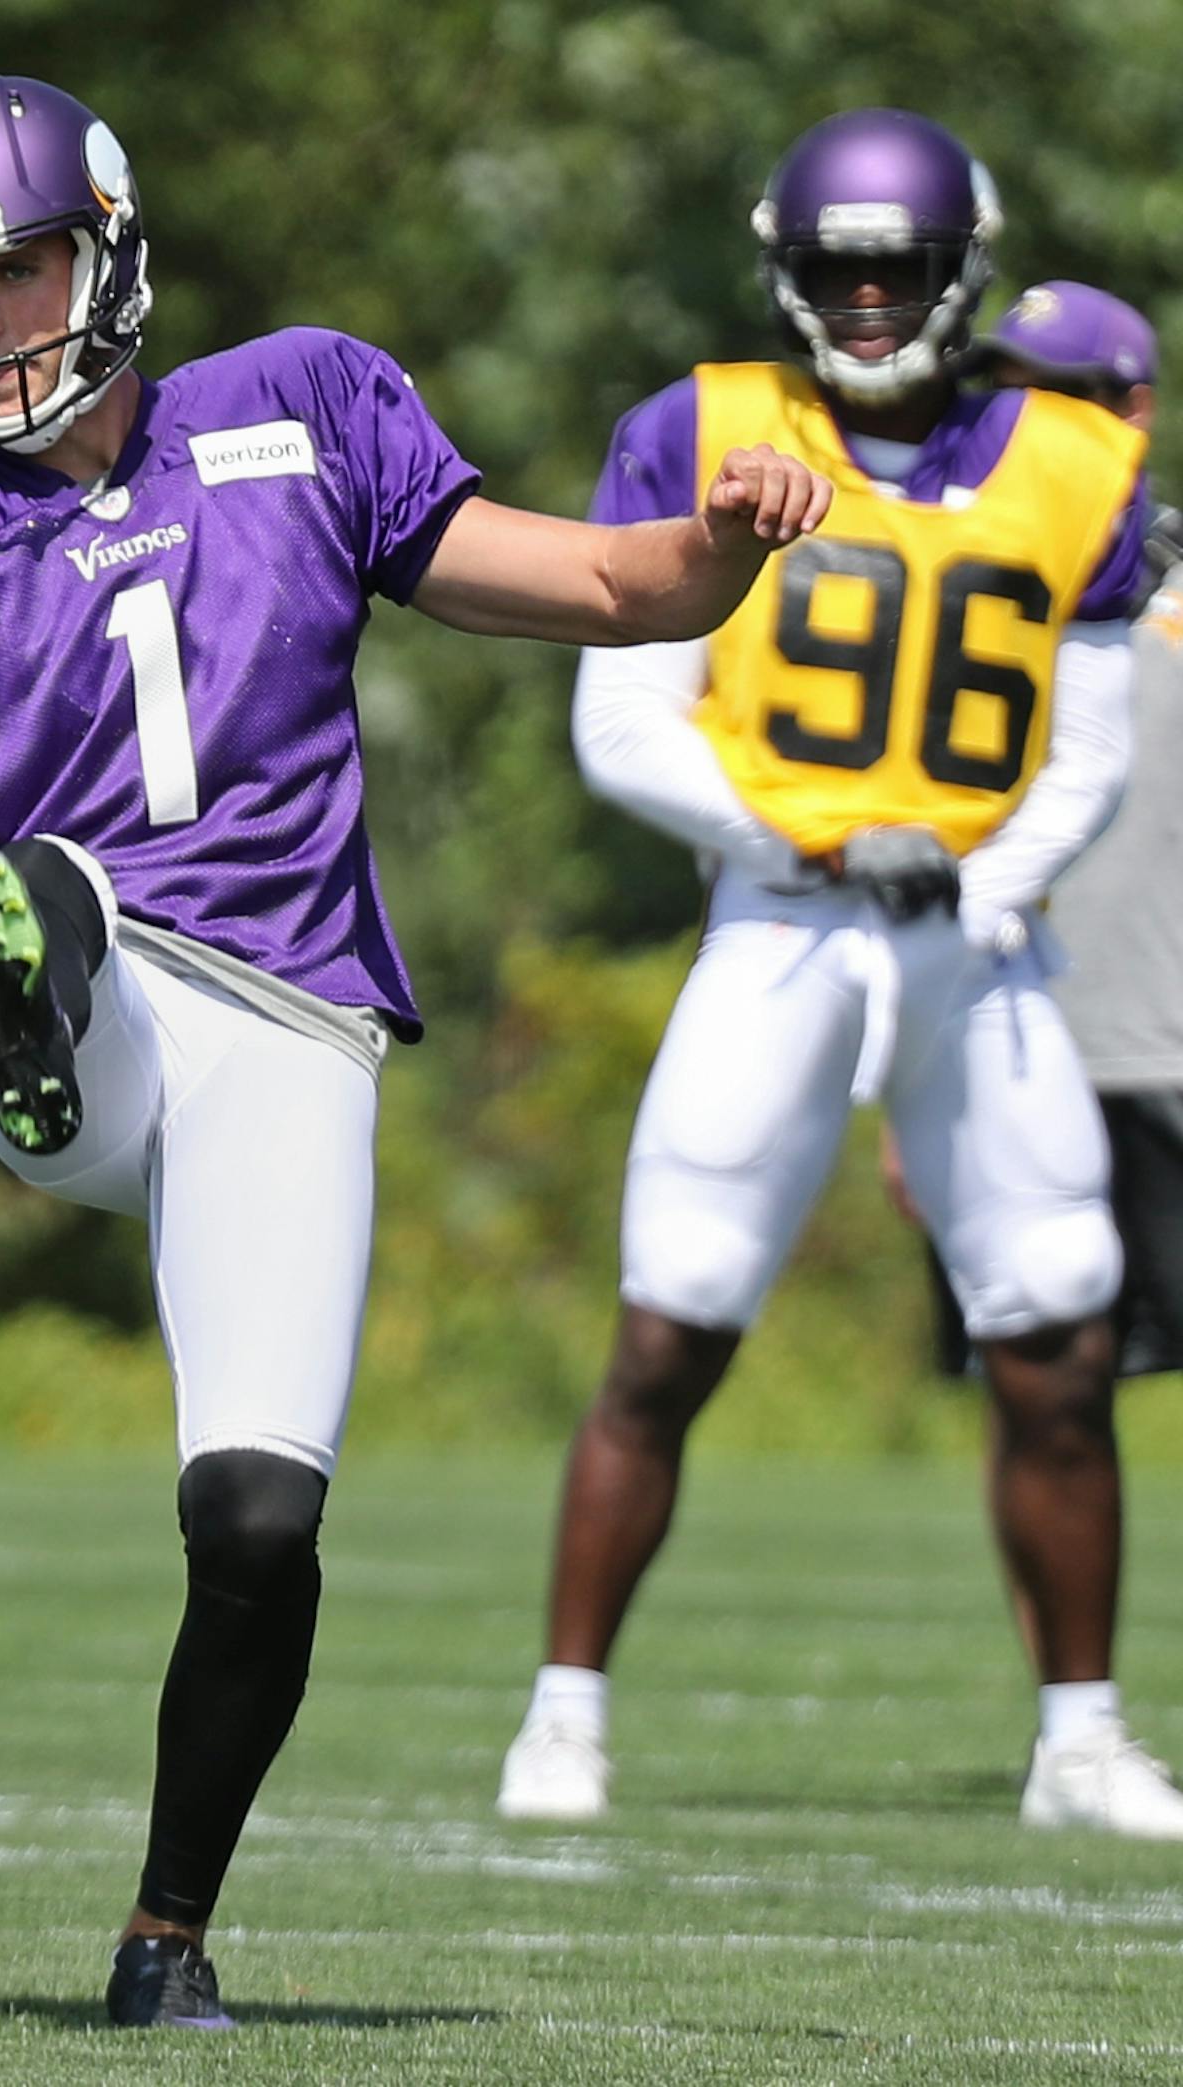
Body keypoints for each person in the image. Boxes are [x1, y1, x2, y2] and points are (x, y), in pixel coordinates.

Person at [0, 74, 828, 2029]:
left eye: (20, 269)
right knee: (48, 915)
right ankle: (30, 987)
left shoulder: (306, 408)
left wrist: (728, 542)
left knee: (255, 1518)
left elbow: (603, 587)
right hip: (89, 1013)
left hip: (292, 1016)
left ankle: (166, 1937)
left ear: (105, 246)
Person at [494, 110, 1183, 1839]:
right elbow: (621, 719)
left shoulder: (1073, 464)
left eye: (901, 267)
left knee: (1059, 1336)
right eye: (839, 267)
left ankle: (1082, 1738)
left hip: (976, 935)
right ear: (786, 267)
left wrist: (976, 874)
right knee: (672, 1328)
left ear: (966, 269)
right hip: (782, 924)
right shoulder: (707, 430)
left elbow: (1086, 751)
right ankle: (564, 1717)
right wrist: (804, 844)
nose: (870, 298)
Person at [881, 284, 1183, 1654]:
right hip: (1013, 1036)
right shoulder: (950, 567)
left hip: (1170, 1047)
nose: (1023, 421)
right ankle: (1078, 1714)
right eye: (1004, 391)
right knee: (1035, 1388)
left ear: (1135, 411)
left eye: (1058, 394)